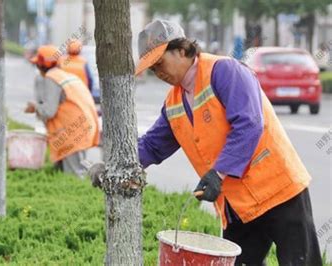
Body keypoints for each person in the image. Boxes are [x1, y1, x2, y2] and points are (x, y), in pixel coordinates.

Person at [90, 20, 322, 265]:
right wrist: (111, 167)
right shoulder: (174, 102)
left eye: (160, 63)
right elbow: (151, 146)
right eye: (153, 69)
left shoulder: (224, 70)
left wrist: (218, 174)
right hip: (237, 206)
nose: (159, 73)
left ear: (181, 49)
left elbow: (249, 124)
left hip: (277, 189)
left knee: (301, 261)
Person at [25, 45, 99, 178]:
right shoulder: (64, 75)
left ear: (42, 65)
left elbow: (49, 111)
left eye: (37, 64)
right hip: (80, 127)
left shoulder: (51, 77)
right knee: (66, 172)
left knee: (75, 176)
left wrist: (34, 107)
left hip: (72, 132)